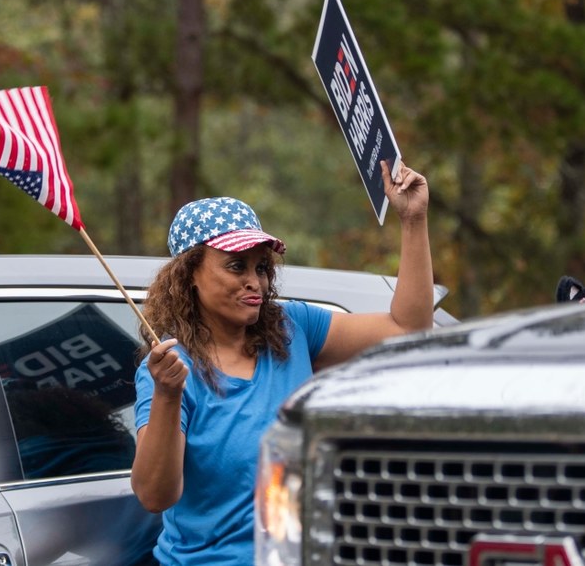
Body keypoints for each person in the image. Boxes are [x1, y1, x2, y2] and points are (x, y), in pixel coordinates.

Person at [131, 159, 434, 565]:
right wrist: (168, 395)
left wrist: (414, 221)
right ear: (189, 275)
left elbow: (408, 327)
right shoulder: (170, 371)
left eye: (261, 267)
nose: (255, 281)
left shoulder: (291, 328)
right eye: (236, 266)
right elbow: (154, 495)